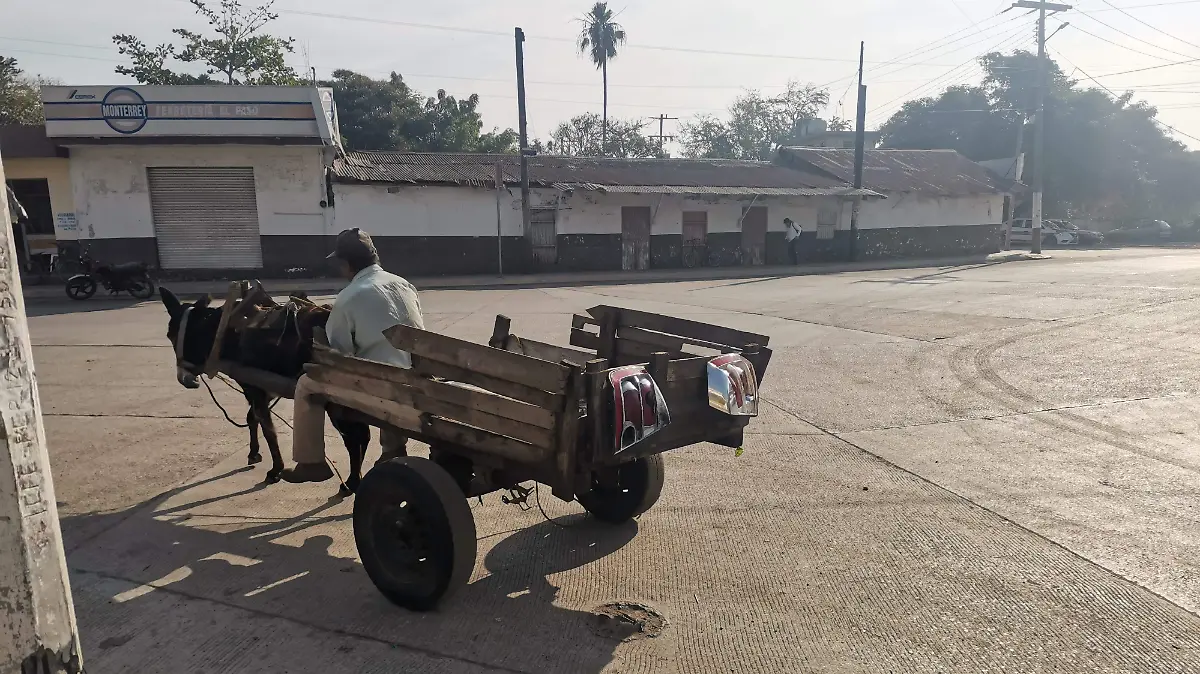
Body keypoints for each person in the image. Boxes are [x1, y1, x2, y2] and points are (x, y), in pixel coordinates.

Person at [280, 228, 424, 484]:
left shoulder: (348, 298)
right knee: (390, 360)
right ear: (375, 257)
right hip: (412, 379)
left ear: (346, 264)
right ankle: (392, 448)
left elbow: (338, 355)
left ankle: (310, 461)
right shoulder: (405, 285)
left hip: (376, 388)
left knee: (306, 384)